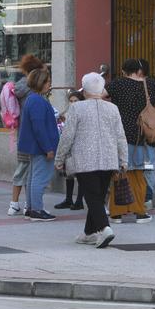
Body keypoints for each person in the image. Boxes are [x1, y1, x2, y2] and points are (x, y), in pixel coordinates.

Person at [55, 73, 127, 248]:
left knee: (92, 196)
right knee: (98, 196)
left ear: (85, 90)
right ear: (101, 90)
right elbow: (120, 136)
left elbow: (67, 136)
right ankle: (89, 233)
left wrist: (60, 158)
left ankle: (104, 228)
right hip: (109, 159)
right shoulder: (113, 108)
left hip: (85, 160)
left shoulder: (77, 108)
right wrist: (124, 159)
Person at [106, 58, 155, 222]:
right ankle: (141, 211)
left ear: (125, 71)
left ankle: (117, 212)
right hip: (144, 137)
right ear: (139, 71)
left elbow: (100, 95)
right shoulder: (151, 84)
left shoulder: (117, 84)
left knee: (120, 173)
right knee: (139, 174)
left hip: (122, 136)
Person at [3, 54, 45, 216]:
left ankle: (17, 203)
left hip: (21, 133)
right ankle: (24, 204)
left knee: (22, 168)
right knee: (30, 170)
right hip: (32, 135)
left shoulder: (19, 87)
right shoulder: (33, 90)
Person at [16, 67, 59, 221]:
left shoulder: (33, 99)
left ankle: (31, 208)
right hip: (41, 147)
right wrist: (48, 148)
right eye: (47, 82)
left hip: (36, 147)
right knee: (39, 179)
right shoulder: (38, 101)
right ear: (40, 83)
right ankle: (37, 210)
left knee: (33, 177)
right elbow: (39, 126)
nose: (49, 84)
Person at [54, 90, 86, 211]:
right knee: (69, 174)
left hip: (80, 147)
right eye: (71, 101)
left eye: (75, 101)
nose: (73, 103)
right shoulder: (67, 113)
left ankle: (79, 201)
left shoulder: (83, 113)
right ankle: (68, 199)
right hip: (69, 147)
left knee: (81, 174)